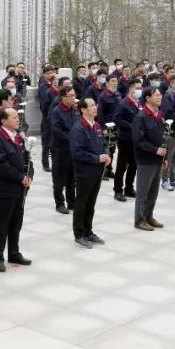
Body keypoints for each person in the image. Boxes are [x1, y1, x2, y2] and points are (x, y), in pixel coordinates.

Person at [0, 107, 33, 272]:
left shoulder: (19, 137)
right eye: (13, 117)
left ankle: (14, 253)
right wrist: (20, 177)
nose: (17, 119)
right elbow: (1, 166)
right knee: (2, 225)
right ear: (3, 120)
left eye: (17, 117)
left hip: (20, 189)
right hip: (5, 189)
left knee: (16, 223)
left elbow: (28, 159)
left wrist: (30, 175)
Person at [70, 97, 109, 248]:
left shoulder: (97, 126)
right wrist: (97, 158)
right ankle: (79, 234)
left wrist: (107, 155)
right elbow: (77, 152)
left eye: (95, 105)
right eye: (91, 106)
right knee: (82, 203)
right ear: (83, 110)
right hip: (84, 172)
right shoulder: (78, 128)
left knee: (91, 203)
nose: (95, 108)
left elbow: (104, 144)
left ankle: (88, 231)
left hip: (97, 171)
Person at [131, 85, 167, 231]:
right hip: (146, 160)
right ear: (147, 98)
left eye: (160, 95)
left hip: (158, 159)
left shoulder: (159, 114)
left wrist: (165, 157)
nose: (159, 97)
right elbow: (138, 141)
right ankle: (139, 219)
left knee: (153, 191)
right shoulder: (141, 117)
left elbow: (162, 138)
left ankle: (148, 215)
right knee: (143, 192)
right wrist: (155, 150)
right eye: (156, 95)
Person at [48, 85, 78, 214]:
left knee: (72, 176)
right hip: (60, 149)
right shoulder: (56, 111)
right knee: (59, 177)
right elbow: (57, 131)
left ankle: (72, 202)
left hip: (73, 149)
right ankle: (59, 203)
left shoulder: (75, 110)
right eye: (70, 96)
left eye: (74, 95)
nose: (73, 98)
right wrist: (72, 138)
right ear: (63, 97)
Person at [112, 81, 140, 202]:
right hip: (125, 138)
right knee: (122, 166)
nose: (139, 90)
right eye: (137, 88)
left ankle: (129, 188)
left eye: (140, 87)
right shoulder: (122, 103)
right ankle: (118, 190)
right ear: (130, 89)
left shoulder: (139, 102)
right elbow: (116, 119)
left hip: (136, 139)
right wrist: (131, 126)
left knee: (134, 165)